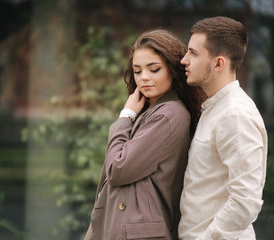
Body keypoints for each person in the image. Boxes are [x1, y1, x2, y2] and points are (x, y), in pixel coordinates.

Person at [84, 29, 205, 240]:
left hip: (139, 232)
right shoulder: (153, 111)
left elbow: (117, 169)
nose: (144, 78)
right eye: (137, 71)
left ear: (173, 70)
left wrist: (126, 116)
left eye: (154, 69)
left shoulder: (168, 114)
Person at [178, 16, 268, 240]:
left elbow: (245, 202)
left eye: (193, 53)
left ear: (219, 63)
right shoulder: (215, 108)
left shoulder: (234, 115)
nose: (184, 60)